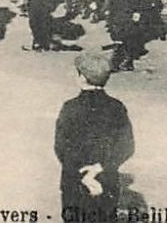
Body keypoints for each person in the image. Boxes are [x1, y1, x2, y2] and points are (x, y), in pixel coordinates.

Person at [54, 52, 134, 224]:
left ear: (82, 78)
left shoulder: (70, 108)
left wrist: (83, 174)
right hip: (106, 181)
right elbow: (127, 147)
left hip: (74, 181)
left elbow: (61, 148)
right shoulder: (117, 107)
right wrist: (99, 168)